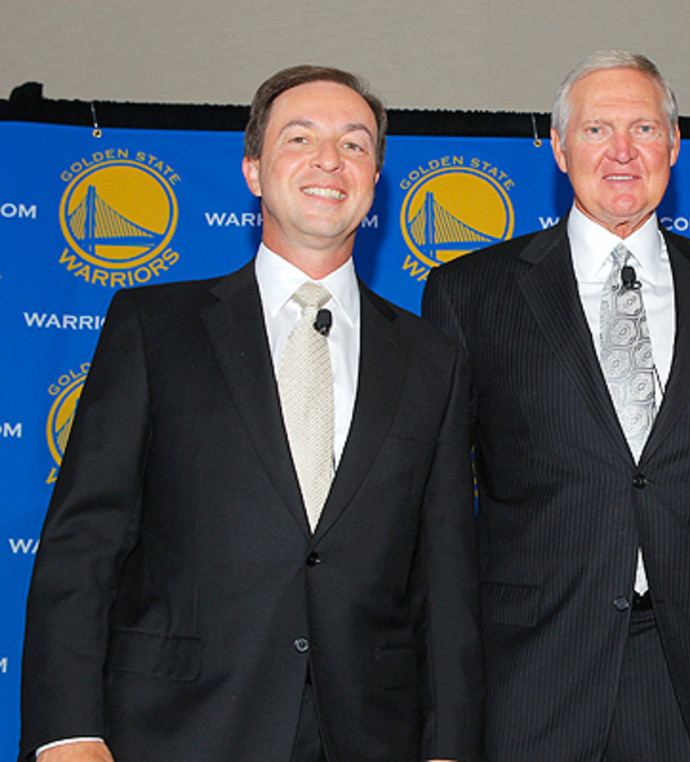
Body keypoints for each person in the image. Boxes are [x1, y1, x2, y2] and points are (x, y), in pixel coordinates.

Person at [20, 65, 482, 762]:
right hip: (174, 729)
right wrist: (67, 732)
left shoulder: (432, 360)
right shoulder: (155, 327)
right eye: (301, 138)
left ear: (376, 180)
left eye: (355, 145)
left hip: (369, 735)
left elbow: (445, 581)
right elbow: (83, 544)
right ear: (254, 171)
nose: (331, 160)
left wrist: (450, 747)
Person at [422, 50, 690, 761]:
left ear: (675, 145)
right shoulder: (471, 295)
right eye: (596, 131)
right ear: (559, 148)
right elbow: (431, 511)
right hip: (530, 678)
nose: (622, 151)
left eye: (644, 129)